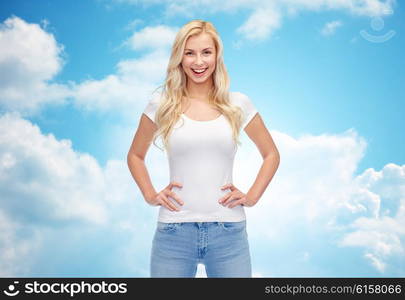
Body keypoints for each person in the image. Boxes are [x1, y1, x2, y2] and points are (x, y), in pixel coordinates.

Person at [127, 19, 280, 278]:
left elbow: (271, 154)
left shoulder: (238, 103)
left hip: (228, 232)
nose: (199, 62)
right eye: (190, 53)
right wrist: (150, 194)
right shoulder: (161, 104)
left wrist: (252, 196)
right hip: (173, 233)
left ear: (217, 56)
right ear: (179, 58)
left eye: (206, 52)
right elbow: (135, 155)